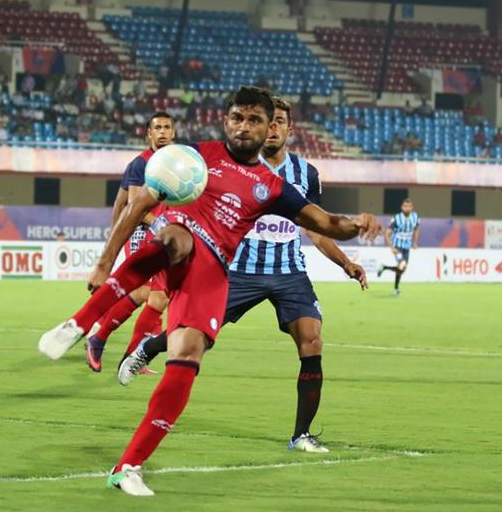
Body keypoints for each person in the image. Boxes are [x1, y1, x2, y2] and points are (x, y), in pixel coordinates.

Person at [36, 86, 382, 496]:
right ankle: (79, 324)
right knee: (176, 239)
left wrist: (357, 223)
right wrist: (103, 260)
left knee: (187, 358)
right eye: (237, 117)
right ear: (225, 119)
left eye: (254, 120)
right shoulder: (192, 156)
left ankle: (128, 465)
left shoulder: (272, 186)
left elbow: (323, 223)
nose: (244, 126)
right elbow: (139, 204)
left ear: (269, 126)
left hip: (214, 274)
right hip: (183, 244)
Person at [117, 97, 369, 456]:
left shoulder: (305, 173)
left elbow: (315, 228)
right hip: (237, 269)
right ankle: (148, 347)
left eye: (280, 122)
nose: (274, 128)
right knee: (194, 338)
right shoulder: (232, 162)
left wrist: (344, 262)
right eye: (271, 121)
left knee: (312, 342)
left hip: (288, 272)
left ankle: (302, 434)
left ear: (285, 129)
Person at [85, 113, 175, 373]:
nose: (162, 132)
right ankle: (120, 349)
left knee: (149, 295)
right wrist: (119, 234)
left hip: (166, 237)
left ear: (174, 131)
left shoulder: (176, 163)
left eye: (167, 127)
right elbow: (134, 207)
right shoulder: (141, 164)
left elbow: (120, 201)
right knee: (153, 296)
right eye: (157, 127)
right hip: (145, 234)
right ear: (149, 134)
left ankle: (112, 345)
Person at [377, 198, 420, 295]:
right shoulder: (397, 218)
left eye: (409, 206)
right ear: (401, 208)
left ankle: (385, 269)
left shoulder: (415, 217)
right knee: (402, 265)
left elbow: (417, 229)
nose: (407, 208)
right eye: (405, 206)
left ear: (412, 207)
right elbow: (387, 233)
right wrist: (392, 247)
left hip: (407, 246)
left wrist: (415, 242)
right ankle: (395, 288)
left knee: (401, 269)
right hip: (397, 246)